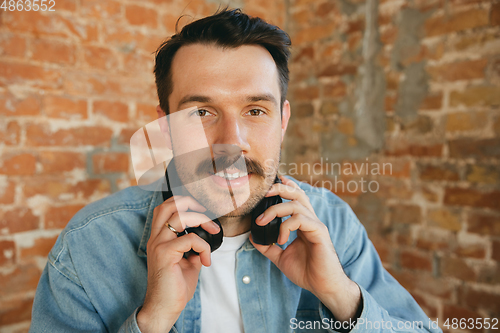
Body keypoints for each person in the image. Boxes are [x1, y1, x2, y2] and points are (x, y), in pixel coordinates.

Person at [30, 8, 441, 333]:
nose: (231, 140)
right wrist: (150, 322)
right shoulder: (87, 248)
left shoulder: (332, 223)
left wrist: (342, 296)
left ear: (282, 121)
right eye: (202, 112)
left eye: (255, 110)